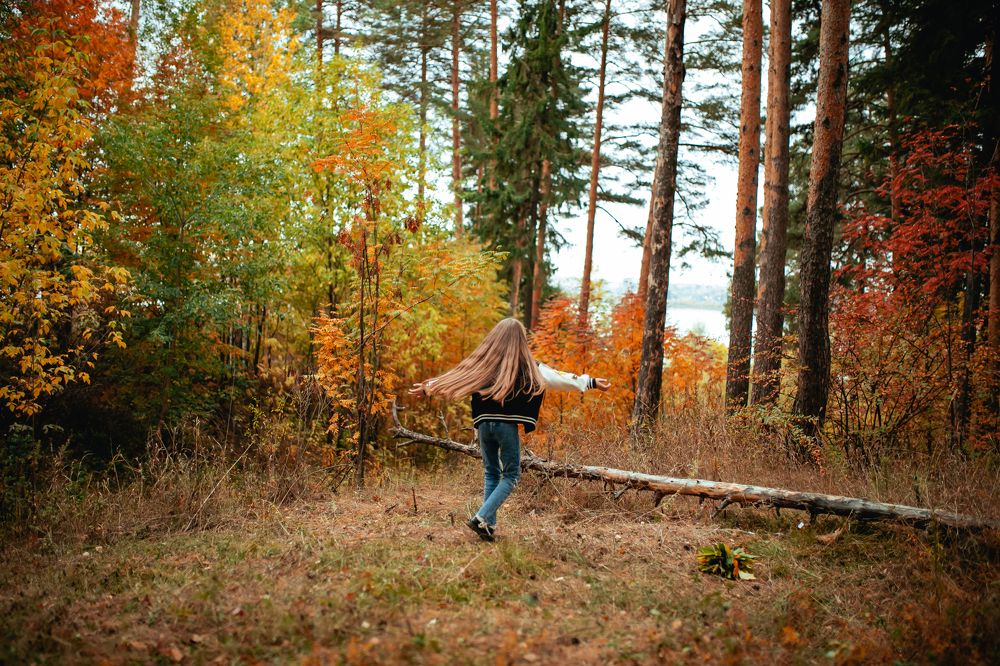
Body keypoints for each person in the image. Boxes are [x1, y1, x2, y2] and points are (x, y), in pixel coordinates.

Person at [408, 317, 610, 542]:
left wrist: (428, 388)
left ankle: (487, 527)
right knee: (512, 476)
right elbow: (559, 378)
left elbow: (457, 376)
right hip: (506, 427)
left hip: (484, 425)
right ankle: (481, 518)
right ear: (521, 341)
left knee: (491, 472)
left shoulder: (482, 366)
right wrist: (589, 382)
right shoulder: (531, 368)